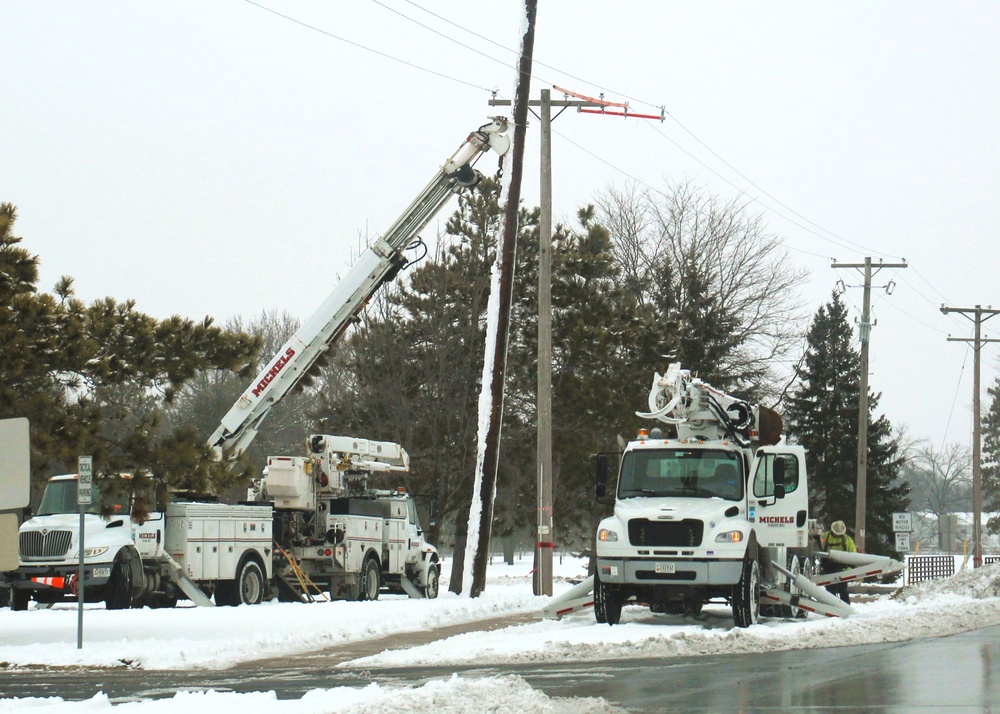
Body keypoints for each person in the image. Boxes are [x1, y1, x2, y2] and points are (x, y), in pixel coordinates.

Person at [821, 520, 857, 603]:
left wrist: (850, 568)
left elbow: (853, 555)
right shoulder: (825, 536)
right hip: (828, 568)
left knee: (842, 589)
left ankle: (845, 606)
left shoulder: (847, 540)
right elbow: (819, 547)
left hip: (842, 569)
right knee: (830, 590)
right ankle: (831, 607)